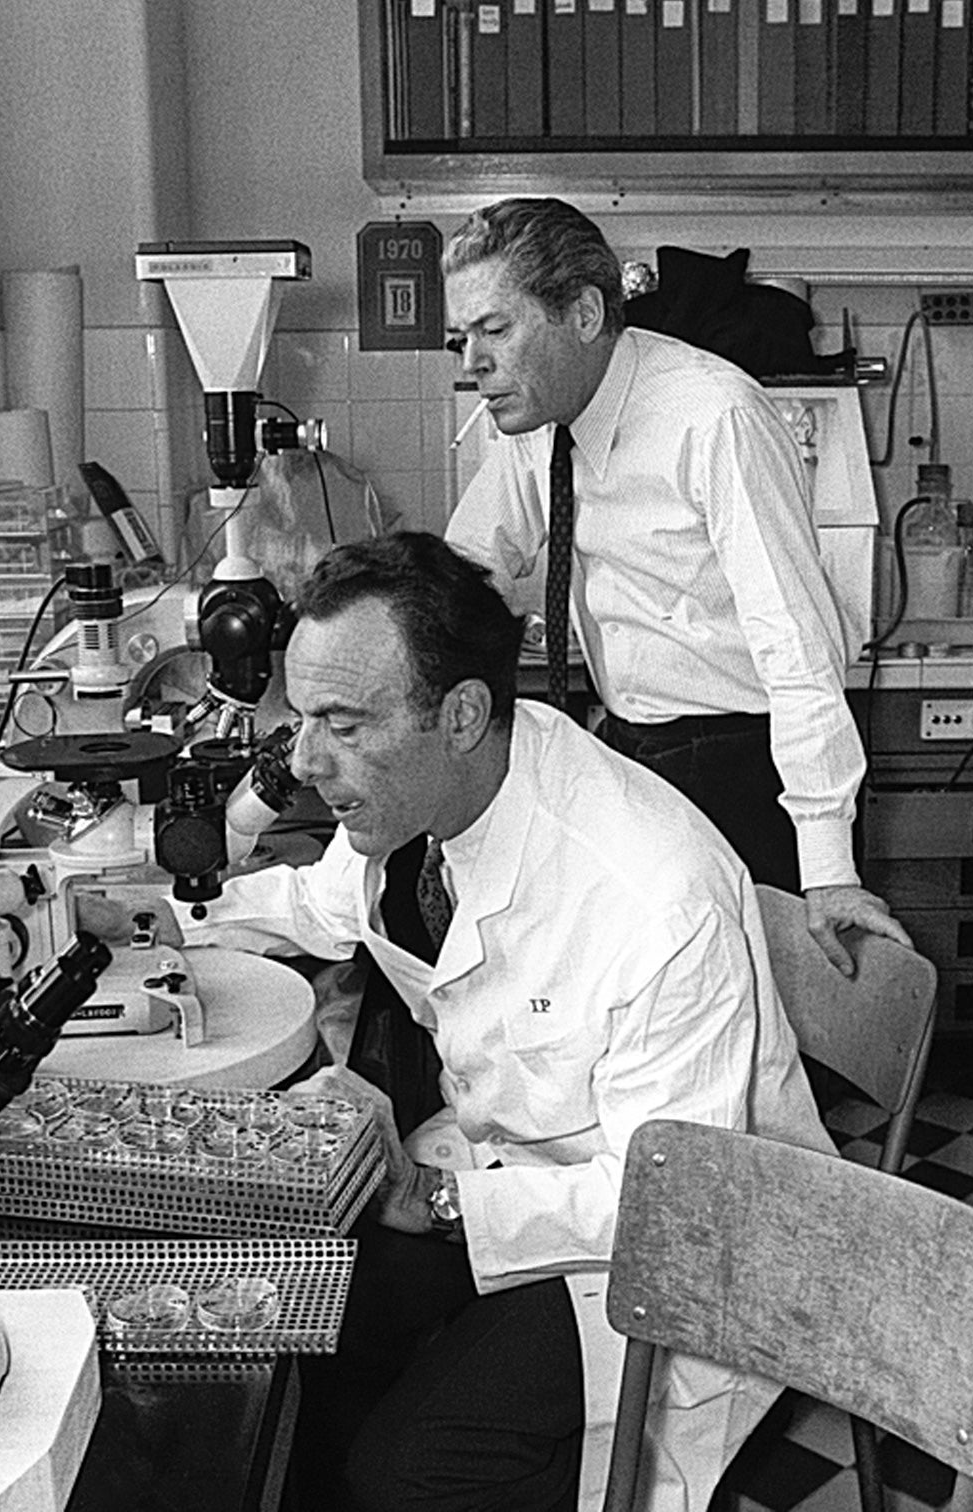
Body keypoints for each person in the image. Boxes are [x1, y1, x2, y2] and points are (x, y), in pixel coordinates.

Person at [186, 532, 833, 1512]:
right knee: (302, 1319)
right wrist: (170, 916)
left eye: (342, 724)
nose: (307, 762)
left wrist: (435, 1202)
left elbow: (674, 1198)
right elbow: (323, 905)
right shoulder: (437, 795)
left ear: (460, 713)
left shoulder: (652, 896)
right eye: (303, 720)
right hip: (508, 1165)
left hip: (649, 1243)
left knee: (408, 1472)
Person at [440, 196, 909, 977]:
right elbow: (463, 571)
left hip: (745, 770)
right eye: (464, 339)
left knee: (749, 1045)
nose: (472, 364)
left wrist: (825, 865)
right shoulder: (539, 420)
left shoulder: (713, 416)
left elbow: (797, 646)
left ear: (584, 313)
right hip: (632, 752)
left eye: (495, 330)